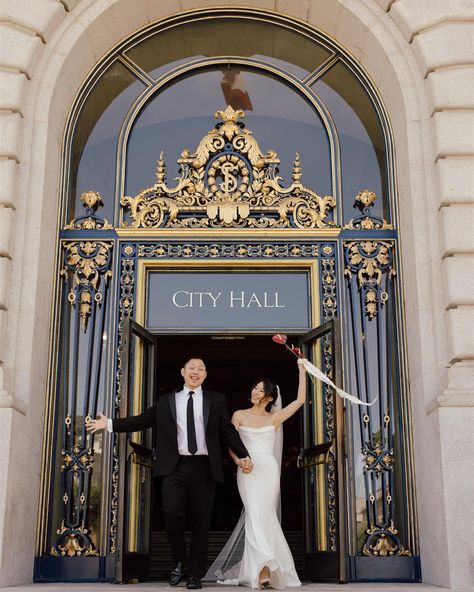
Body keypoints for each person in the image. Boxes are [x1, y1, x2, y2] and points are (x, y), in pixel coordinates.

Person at [86, 357, 252, 590]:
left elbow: (227, 431)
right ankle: (179, 561)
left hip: (205, 467)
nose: (196, 372)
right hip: (175, 468)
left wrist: (244, 454)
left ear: (205, 374)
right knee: (172, 514)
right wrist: (111, 424)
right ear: (182, 371)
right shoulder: (166, 401)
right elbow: (143, 420)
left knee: (201, 522)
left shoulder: (216, 399)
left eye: (201, 369)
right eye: (192, 368)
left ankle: (195, 574)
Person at [206, 357, 306, 589]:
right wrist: (240, 462)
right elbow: (231, 444)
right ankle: (263, 568)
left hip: (269, 471)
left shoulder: (275, 417)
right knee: (253, 515)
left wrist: (301, 368)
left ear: (270, 397)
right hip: (248, 471)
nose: (255, 391)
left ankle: (263, 570)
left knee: (266, 517)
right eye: (255, 387)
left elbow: (300, 400)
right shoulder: (239, 414)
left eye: (261, 390)